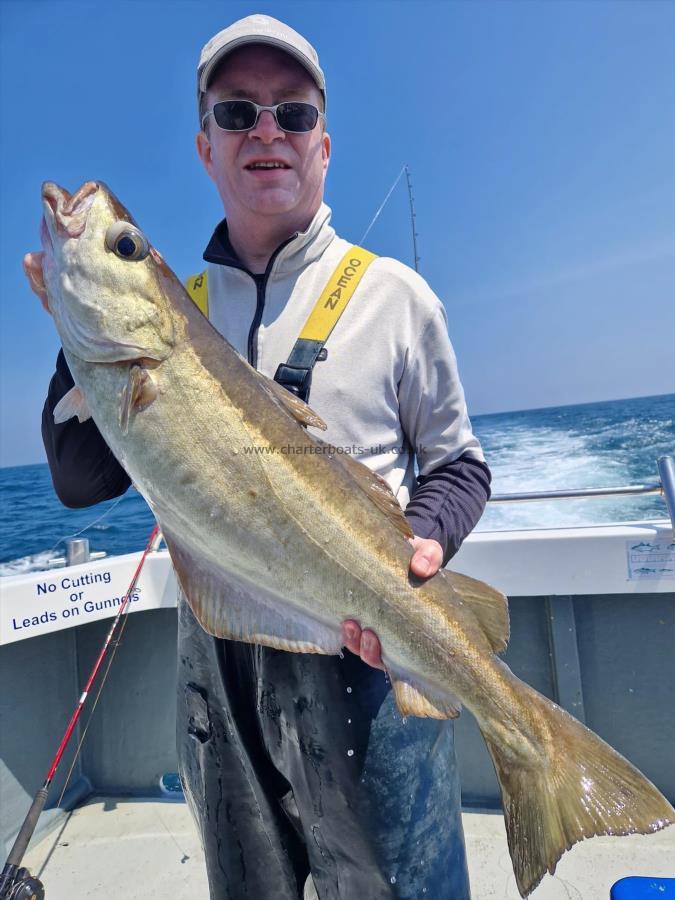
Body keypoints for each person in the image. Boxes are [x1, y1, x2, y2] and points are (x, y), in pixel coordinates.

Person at [39, 14, 491, 900]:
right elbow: (82, 482)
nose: (266, 133)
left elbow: (460, 468)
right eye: (238, 112)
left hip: (369, 647)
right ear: (205, 146)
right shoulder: (181, 303)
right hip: (218, 673)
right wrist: (74, 325)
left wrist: (424, 545)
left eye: (292, 114)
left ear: (323, 143)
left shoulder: (396, 298)